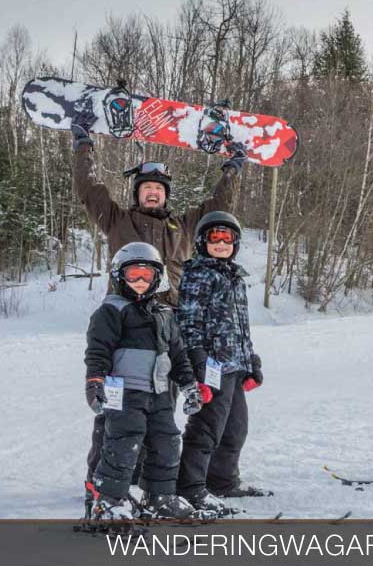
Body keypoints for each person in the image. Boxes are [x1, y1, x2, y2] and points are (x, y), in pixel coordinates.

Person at [71, 116, 247, 512]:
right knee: (115, 414)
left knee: (159, 414)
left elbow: (219, 206)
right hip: (125, 325)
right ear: (138, 193)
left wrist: (232, 169)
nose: (152, 194)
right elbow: (90, 191)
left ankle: (154, 489)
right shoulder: (118, 220)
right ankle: (101, 485)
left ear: (166, 195)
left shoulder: (182, 226)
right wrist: (83, 147)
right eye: (146, 188)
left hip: (169, 326)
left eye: (158, 189)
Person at [84, 242, 205, 520]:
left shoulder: (164, 314)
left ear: (157, 277)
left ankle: (159, 497)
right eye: (133, 275)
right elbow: (98, 352)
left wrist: (189, 385)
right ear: (119, 277)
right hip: (124, 392)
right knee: (124, 443)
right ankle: (109, 501)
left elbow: (178, 355)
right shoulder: (111, 311)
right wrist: (95, 382)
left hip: (160, 392)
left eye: (146, 275)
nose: (139, 281)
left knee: (167, 441)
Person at [176, 211, 268, 515]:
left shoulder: (234, 277)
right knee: (206, 429)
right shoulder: (198, 274)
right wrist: (199, 365)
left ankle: (223, 480)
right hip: (212, 367)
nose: (221, 243)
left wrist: (252, 361)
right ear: (203, 241)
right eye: (214, 237)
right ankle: (190, 487)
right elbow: (188, 323)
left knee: (235, 429)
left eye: (227, 237)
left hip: (235, 366)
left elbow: (242, 326)